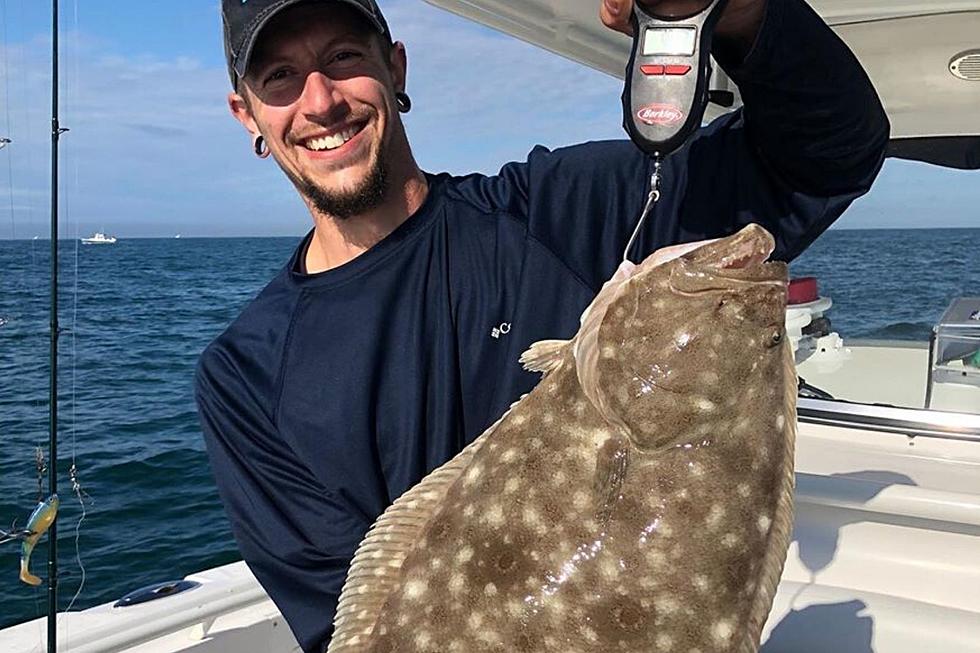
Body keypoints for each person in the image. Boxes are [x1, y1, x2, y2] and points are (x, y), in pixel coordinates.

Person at [196, 0, 889, 651]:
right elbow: (348, 626)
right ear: (245, 113)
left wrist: (744, 14)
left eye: (344, 57)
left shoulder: (554, 211)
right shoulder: (245, 377)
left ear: (396, 69)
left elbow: (829, 154)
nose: (320, 100)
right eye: (280, 76)